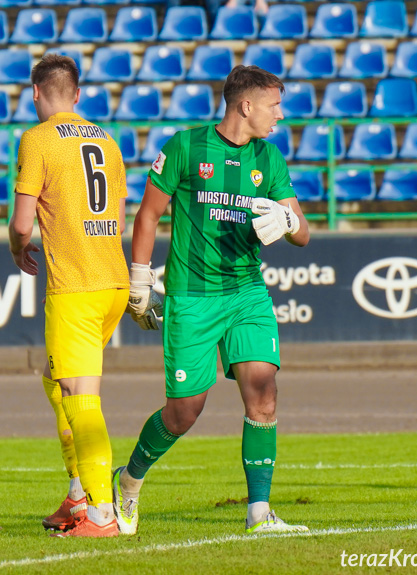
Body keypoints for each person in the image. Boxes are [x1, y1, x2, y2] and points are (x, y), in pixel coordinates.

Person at [112, 65, 310, 536]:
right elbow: (148, 216)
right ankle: (128, 480)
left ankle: (259, 513)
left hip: (247, 293)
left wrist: (287, 223)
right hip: (193, 298)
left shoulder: (270, 157)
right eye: (273, 105)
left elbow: (304, 233)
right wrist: (139, 280)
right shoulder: (185, 147)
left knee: (263, 395)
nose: (280, 115)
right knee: (185, 411)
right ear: (246, 106)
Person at [8, 54, 130, 538]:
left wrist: (19, 248)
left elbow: (21, 224)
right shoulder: (107, 139)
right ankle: (78, 492)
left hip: (75, 288)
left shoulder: (36, 140)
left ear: (35, 92)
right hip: (113, 282)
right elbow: (117, 218)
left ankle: (101, 514)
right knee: (55, 378)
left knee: (81, 398)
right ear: (77, 95)